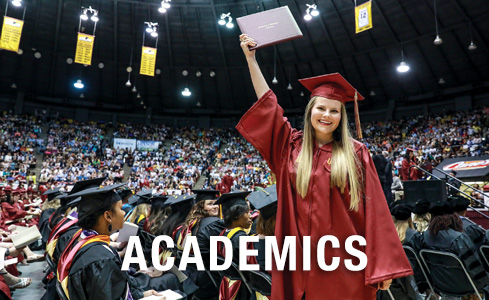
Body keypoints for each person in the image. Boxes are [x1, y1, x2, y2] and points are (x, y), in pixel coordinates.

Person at [237, 34, 412, 300]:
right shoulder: (290, 147)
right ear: (310, 111)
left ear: (342, 116)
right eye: (321, 108)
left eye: (334, 111)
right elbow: (268, 106)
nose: (327, 116)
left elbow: (376, 209)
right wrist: (251, 59)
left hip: (344, 259)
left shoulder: (355, 153)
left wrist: (382, 267)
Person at [56, 184, 165, 300]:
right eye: (121, 209)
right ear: (108, 216)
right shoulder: (101, 260)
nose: (124, 213)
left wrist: (141, 294)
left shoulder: (80, 240)